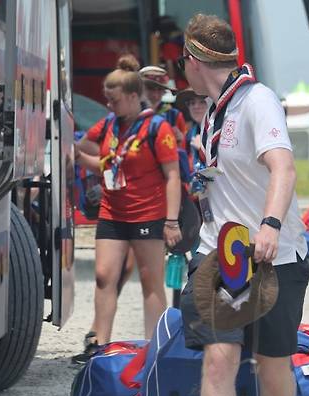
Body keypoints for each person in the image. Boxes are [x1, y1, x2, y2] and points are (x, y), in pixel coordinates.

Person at [178, 14, 309, 396]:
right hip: (220, 253)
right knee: (219, 359)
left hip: (274, 254)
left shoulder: (258, 101)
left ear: (193, 61)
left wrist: (270, 224)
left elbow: (284, 169)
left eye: (181, 61)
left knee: (272, 366)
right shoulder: (212, 113)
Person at [72, 55, 182, 363]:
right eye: (107, 100)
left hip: (148, 214)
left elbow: (172, 175)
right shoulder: (108, 124)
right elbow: (100, 161)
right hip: (113, 212)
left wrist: (171, 221)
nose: (109, 106)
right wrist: (77, 157)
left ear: (134, 97)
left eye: (114, 101)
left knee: (150, 281)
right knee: (104, 276)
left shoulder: (157, 128)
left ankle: (155, 348)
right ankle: (98, 344)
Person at [139, 65, 187, 149]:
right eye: (151, 88)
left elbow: (184, 148)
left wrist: (180, 139)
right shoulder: (134, 113)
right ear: (142, 89)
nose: (155, 94)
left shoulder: (174, 115)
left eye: (160, 89)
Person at [175, 87, 208, 167]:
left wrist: (201, 150)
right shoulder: (190, 134)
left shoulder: (219, 130)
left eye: (202, 102)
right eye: (192, 103)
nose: (196, 106)